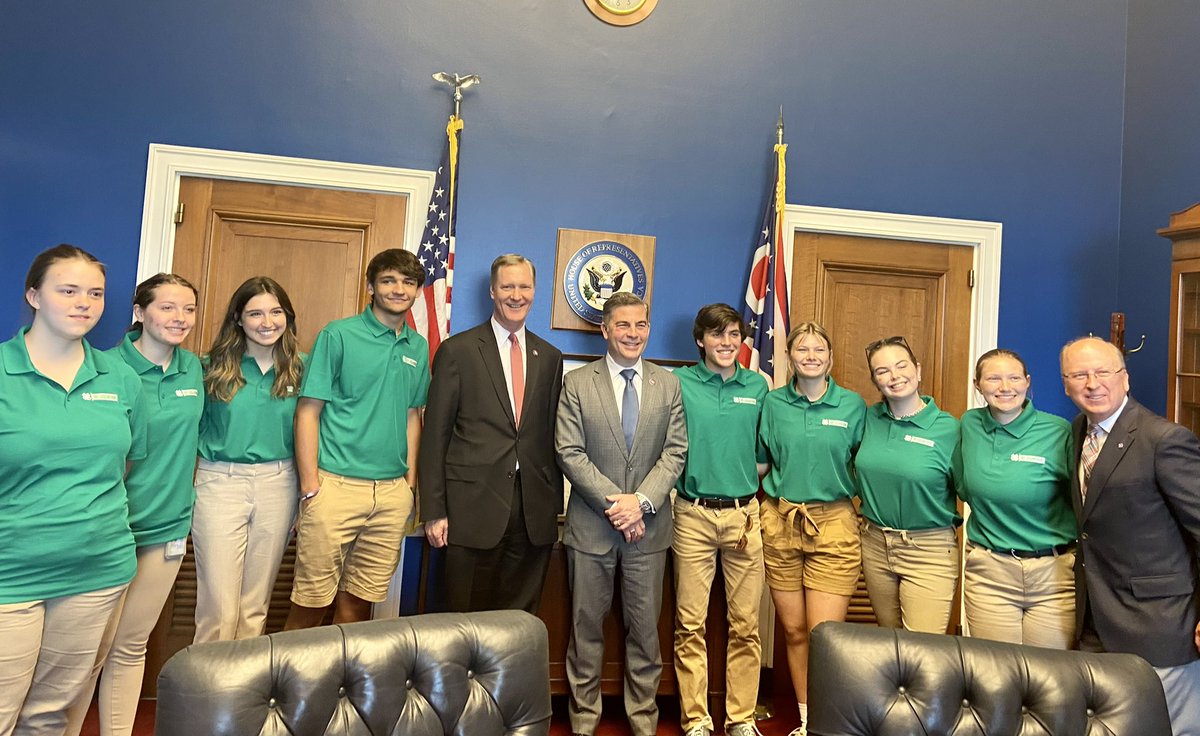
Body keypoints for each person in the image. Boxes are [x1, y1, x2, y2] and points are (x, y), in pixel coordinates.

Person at [0, 245, 143, 736]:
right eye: (69, 290)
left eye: (96, 293)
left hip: (96, 572)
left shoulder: (121, 377)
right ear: (33, 295)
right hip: (10, 575)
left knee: (50, 716)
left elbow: (123, 466)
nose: (84, 302)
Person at [67, 273, 204, 736]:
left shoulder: (196, 371)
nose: (179, 318)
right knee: (88, 652)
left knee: (130, 646)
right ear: (139, 312)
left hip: (166, 529)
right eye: (167, 307)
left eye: (188, 309)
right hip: (107, 532)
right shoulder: (101, 368)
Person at [555, 292, 687, 736]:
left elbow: (675, 453)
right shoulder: (577, 382)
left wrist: (641, 504)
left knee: (645, 634)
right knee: (585, 630)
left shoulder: (668, 384)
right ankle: (583, 721)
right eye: (624, 326)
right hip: (592, 529)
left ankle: (643, 721)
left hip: (648, 531)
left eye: (641, 325)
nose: (633, 334)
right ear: (605, 329)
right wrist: (619, 505)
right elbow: (569, 453)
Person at [283, 248, 428, 629]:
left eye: (408, 282)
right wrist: (310, 483)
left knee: (359, 606)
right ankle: (291, 689)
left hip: (391, 493)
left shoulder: (418, 346)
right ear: (371, 286)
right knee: (310, 605)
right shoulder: (338, 334)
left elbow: (413, 415)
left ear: (416, 291)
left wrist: (409, 484)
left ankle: (341, 688)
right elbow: (308, 411)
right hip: (335, 486)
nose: (399, 289)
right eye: (389, 280)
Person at [1061, 336, 1200, 734]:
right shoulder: (1077, 432)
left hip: (1161, 625)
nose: (1092, 383)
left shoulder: (1165, 440)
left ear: (1125, 378)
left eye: (1103, 372)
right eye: (1079, 375)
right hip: (1096, 618)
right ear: (1065, 384)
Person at [420, 254, 564, 613]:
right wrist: (434, 510)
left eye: (524, 287)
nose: (516, 295)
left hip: (532, 515)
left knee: (518, 622)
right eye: (507, 286)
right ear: (492, 291)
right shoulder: (458, 351)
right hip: (470, 512)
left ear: (534, 291)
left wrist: (554, 510)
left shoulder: (549, 357)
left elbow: (549, 436)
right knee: (461, 618)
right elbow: (435, 436)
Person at [757, 322, 865, 736]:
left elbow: (868, 465)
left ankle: (828, 719)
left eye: (819, 348)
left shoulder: (853, 406)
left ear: (830, 358)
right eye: (802, 349)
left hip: (834, 523)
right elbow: (762, 463)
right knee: (794, 631)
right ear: (790, 357)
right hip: (781, 520)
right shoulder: (773, 404)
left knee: (824, 636)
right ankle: (806, 720)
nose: (811, 355)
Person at [671, 304, 768, 736]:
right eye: (717, 335)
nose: (726, 343)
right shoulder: (678, 384)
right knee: (689, 624)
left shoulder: (759, 386)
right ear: (700, 340)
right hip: (692, 514)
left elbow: (764, 457)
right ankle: (696, 719)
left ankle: (741, 718)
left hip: (745, 517)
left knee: (745, 626)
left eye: (733, 334)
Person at [192, 276, 305, 642]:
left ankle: (242, 695)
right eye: (255, 313)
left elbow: (314, 434)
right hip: (219, 481)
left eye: (275, 312)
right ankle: (207, 695)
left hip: (280, 482)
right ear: (238, 319)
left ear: (287, 316)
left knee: (255, 606)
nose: (267, 321)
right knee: (218, 605)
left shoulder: (303, 369)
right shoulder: (209, 368)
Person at [956, 348, 1075, 648]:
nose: (1005, 387)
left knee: (1049, 677)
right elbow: (961, 484)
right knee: (996, 673)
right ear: (977, 385)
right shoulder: (969, 425)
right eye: (994, 378)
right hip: (990, 572)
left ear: (1027, 382)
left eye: (1014, 378)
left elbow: (1083, 498)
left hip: (1053, 574)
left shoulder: (1058, 431)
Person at [854, 335, 960, 634]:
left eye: (901, 366)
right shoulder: (867, 419)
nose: (894, 376)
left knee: (922, 649)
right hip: (875, 544)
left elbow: (970, 487)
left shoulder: (950, 429)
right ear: (875, 381)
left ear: (918, 368)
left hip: (928, 548)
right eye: (882, 371)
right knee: (890, 642)